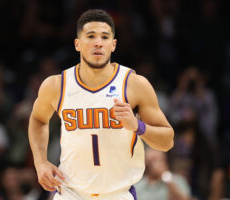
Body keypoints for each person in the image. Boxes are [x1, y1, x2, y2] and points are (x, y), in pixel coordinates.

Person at [28, 9, 174, 200]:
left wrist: (137, 126)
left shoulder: (135, 85)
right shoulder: (57, 85)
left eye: (105, 37)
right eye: (91, 36)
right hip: (71, 193)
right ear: (77, 44)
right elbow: (38, 119)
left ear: (113, 45)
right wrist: (40, 163)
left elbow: (167, 141)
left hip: (118, 194)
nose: (98, 42)